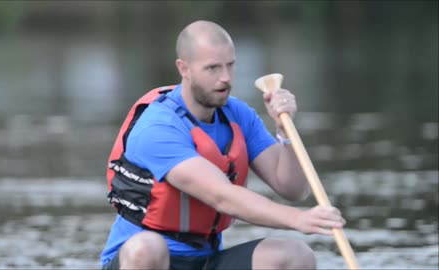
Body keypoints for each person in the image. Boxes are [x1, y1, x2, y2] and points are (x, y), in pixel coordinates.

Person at [101, 20, 346, 270]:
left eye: (230, 65)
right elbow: (222, 196)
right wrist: (299, 219)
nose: (225, 78)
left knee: (296, 255)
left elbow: (294, 189)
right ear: (184, 68)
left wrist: (286, 133)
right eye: (213, 68)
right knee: (147, 249)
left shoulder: (238, 115)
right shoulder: (157, 127)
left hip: (205, 260)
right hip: (146, 260)